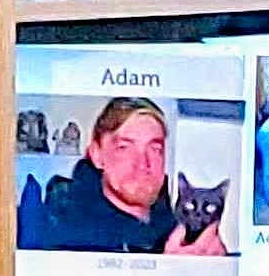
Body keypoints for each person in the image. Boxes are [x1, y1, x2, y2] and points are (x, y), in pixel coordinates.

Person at [40, 98, 225, 255]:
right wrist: (170, 273)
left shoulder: (178, 227)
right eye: (124, 148)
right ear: (97, 155)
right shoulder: (64, 233)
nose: (143, 164)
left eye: (155, 149)